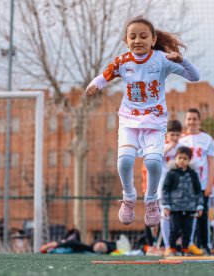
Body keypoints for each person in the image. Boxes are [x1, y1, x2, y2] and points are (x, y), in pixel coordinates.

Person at [86, 16, 200, 227]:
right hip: (129, 120)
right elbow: (103, 77)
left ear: (153, 39)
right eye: (133, 36)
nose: (138, 40)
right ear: (126, 41)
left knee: (154, 162)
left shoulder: (162, 60)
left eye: (143, 36)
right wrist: (93, 86)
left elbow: (194, 77)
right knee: (125, 161)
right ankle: (128, 198)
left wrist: (182, 60)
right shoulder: (122, 62)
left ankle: (151, 200)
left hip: (155, 122)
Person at [142, 120, 183, 253]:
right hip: (162, 185)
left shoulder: (182, 147)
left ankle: (178, 244)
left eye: (178, 135)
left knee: (177, 216)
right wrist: (170, 146)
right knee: (163, 213)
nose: (175, 138)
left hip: (178, 186)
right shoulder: (160, 146)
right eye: (172, 135)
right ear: (166, 135)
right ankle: (165, 246)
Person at [179, 108, 214, 254]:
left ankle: (205, 245)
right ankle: (186, 246)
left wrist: (210, 184)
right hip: (186, 186)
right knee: (185, 217)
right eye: (189, 119)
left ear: (199, 120)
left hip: (201, 183)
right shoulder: (181, 140)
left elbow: (211, 162)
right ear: (185, 121)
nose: (191, 122)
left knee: (202, 216)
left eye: (194, 119)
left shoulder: (207, 139)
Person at [162, 146, 204, 256]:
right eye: (179, 158)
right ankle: (171, 248)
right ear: (175, 158)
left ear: (189, 160)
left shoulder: (193, 174)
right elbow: (165, 190)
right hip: (175, 208)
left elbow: (198, 191)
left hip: (190, 207)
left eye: (185, 158)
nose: (182, 160)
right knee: (174, 229)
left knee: (188, 230)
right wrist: (166, 205)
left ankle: (185, 248)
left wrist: (199, 205)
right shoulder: (171, 173)